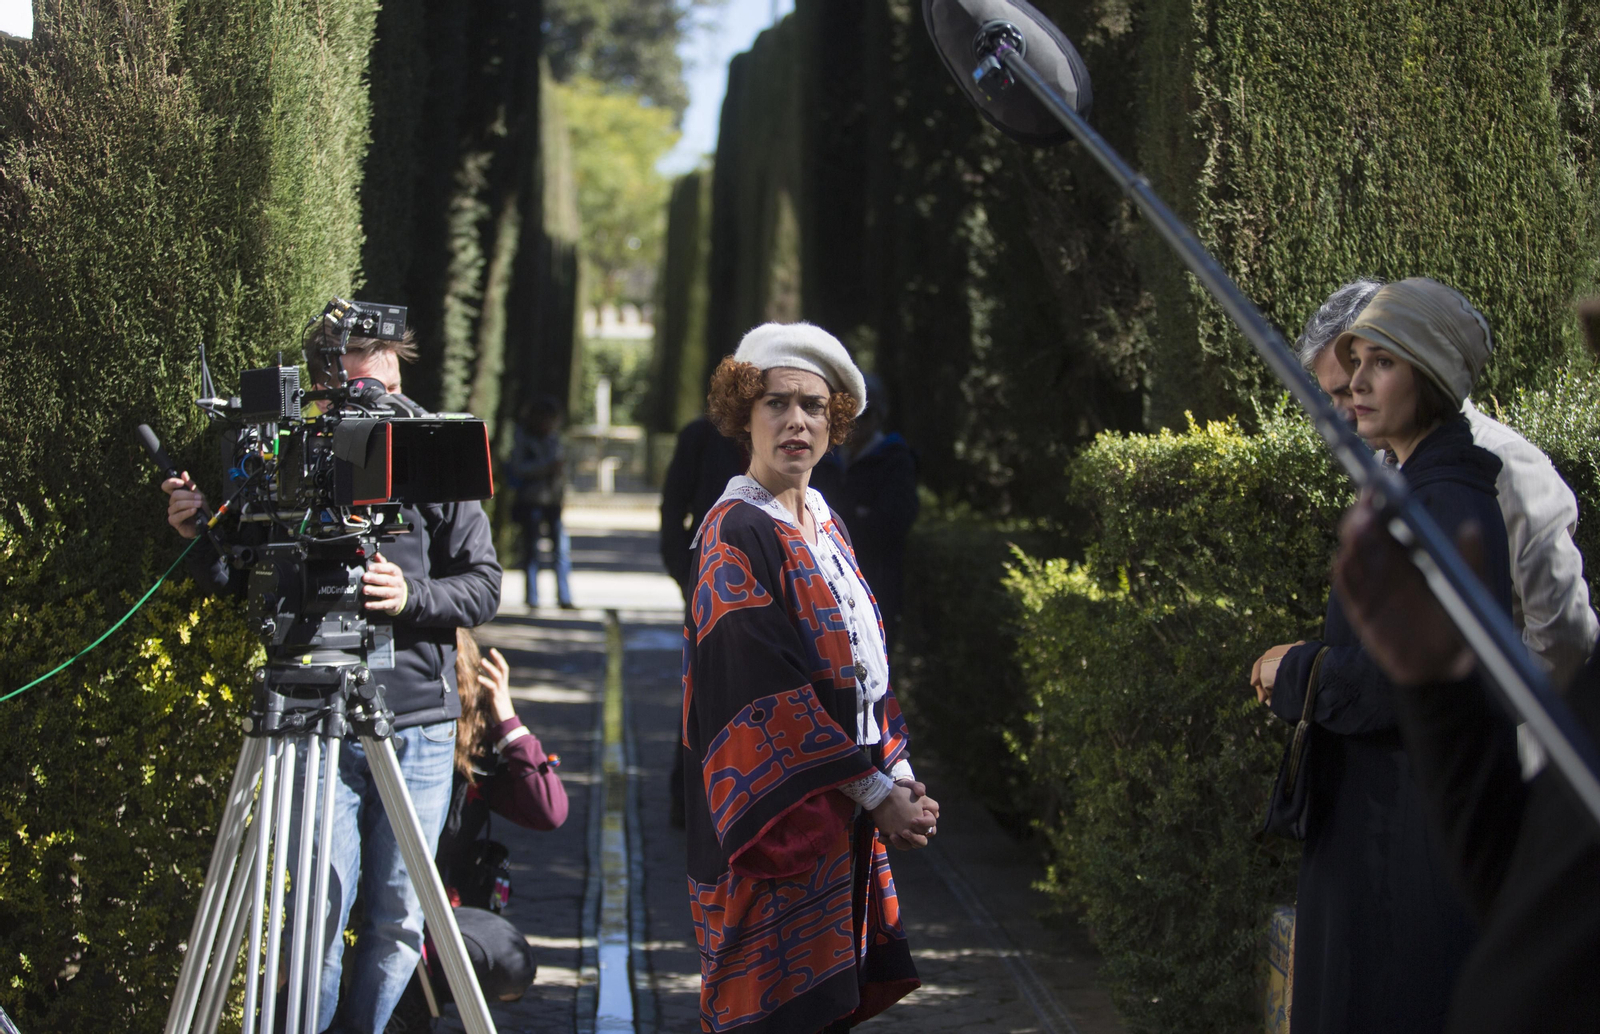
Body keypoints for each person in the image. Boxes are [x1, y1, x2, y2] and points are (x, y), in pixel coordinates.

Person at [162, 324, 502, 1034]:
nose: (350, 375)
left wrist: (414, 599)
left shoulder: (429, 453)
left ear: (393, 364)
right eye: (335, 361)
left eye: (363, 358)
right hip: (316, 720)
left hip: (416, 724)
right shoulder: (296, 453)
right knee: (315, 914)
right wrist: (200, 536)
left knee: (399, 916)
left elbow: (482, 585)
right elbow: (239, 579)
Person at [1252, 278, 1514, 1033]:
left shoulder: (1446, 508)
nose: (1357, 384)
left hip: (1402, 846)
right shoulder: (1416, 492)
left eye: (1381, 364)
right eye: (1354, 361)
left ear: (1431, 376)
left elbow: (1404, 681)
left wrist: (1292, 670)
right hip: (1379, 830)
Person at [683, 322, 938, 1033]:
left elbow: (864, 664)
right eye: (776, 403)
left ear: (837, 421)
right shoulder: (735, 531)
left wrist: (898, 772)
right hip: (773, 823)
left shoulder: (824, 520)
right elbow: (768, 695)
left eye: (815, 407)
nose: (797, 420)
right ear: (743, 416)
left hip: (836, 821)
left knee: (825, 1014)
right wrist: (876, 791)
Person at [1333, 490, 1600, 1033]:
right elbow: (1525, 888)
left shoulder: (1476, 480)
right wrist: (1437, 689)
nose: (1348, 399)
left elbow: (1560, 638)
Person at [1289, 279, 1596, 694]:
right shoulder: (1385, 465)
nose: (1344, 412)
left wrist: (1480, 726)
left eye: (1350, 387)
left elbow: (1564, 638)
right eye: (1334, 394)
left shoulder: (1508, 466)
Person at [658, 413, 746, 828]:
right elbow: (674, 505)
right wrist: (686, 574)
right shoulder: (701, 435)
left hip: (767, 580)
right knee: (703, 691)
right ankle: (690, 799)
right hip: (708, 582)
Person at [809, 374, 920, 651]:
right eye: (846, 412)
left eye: (864, 413)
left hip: (875, 589)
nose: (855, 423)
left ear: (879, 416)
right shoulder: (824, 460)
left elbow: (890, 525)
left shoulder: (894, 460)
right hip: (824, 592)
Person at [509, 395, 574, 610]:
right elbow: (517, 467)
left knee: (561, 551)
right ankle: (532, 597)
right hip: (532, 501)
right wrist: (545, 467)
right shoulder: (523, 439)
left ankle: (564, 597)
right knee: (531, 551)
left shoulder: (554, 439)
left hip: (552, 502)